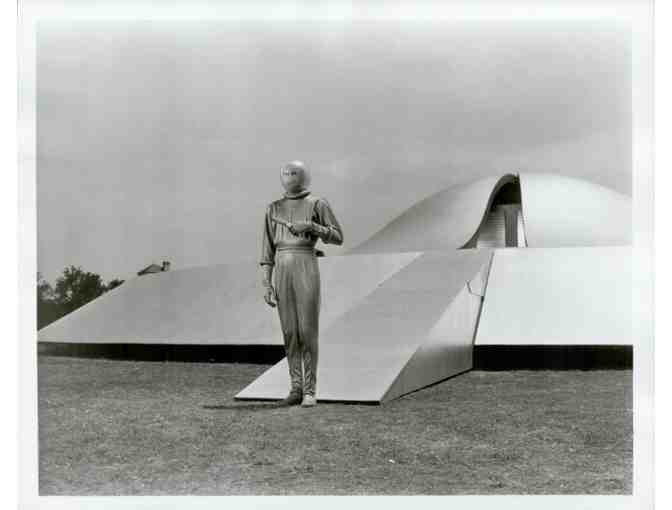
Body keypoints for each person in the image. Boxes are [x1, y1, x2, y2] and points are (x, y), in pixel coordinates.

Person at [259, 161, 343, 407]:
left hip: (306, 262)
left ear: (304, 176)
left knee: (307, 330)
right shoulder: (273, 208)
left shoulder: (317, 204)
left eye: (294, 173)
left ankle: (310, 390)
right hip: (281, 266)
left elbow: (338, 236)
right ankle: (295, 388)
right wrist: (266, 283)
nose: (289, 176)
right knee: (289, 331)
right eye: (286, 173)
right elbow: (266, 252)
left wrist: (312, 226)